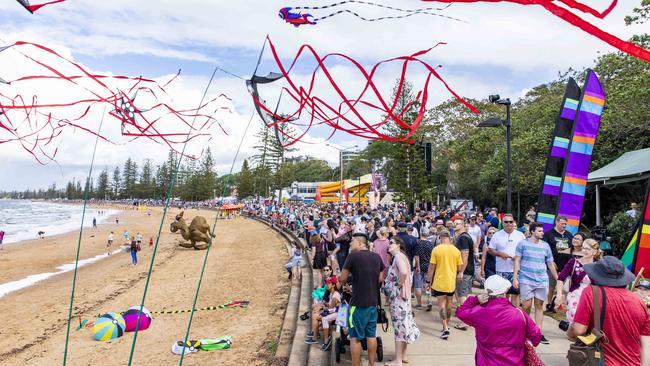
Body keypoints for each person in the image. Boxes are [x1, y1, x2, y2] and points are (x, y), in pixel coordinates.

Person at [567, 256, 650, 366]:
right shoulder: (639, 302)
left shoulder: (591, 293)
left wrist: (569, 331)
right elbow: (646, 344)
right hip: (632, 362)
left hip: (601, 361)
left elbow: (579, 330)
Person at [456, 275, 542, 366]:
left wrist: (475, 300)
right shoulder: (519, 314)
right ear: (505, 292)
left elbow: (461, 312)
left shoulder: (480, 313)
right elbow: (536, 337)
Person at [339, 232, 385, 366]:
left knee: (355, 337)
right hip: (373, 302)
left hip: (358, 304)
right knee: (371, 335)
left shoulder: (352, 257)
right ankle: (372, 364)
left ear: (359, 243)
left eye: (352, 241)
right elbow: (381, 277)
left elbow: (342, 279)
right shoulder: (376, 257)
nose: (350, 243)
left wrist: (345, 282)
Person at [513, 222, 557, 344]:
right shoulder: (523, 244)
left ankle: (538, 333)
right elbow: (517, 261)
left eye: (542, 231)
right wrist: (515, 278)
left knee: (539, 306)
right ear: (532, 231)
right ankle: (525, 330)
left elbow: (550, 263)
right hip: (526, 278)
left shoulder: (545, 246)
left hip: (542, 280)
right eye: (540, 231)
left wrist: (557, 277)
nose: (542, 232)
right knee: (526, 306)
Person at [384, 237, 420, 366]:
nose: (389, 245)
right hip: (403, 298)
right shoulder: (401, 256)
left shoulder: (398, 257)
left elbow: (404, 272)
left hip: (399, 298)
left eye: (392, 243)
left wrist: (397, 286)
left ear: (398, 245)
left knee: (399, 327)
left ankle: (398, 360)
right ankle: (403, 355)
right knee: (404, 325)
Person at [427, 230, 463, 340]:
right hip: (450, 282)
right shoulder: (456, 251)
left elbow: (432, 268)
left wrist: (428, 281)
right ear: (450, 238)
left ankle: (445, 327)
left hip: (439, 282)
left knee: (441, 305)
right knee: (449, 305)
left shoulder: (436, 250)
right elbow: (460, 268)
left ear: (440, 237)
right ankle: (446, 325)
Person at [555, 238, 601, 324]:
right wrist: (559, 295)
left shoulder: (598, 266)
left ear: (594, 252)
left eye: (588, 249)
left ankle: (574, 332)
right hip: (574, 295)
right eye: (583, 248)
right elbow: (560, 278)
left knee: (586, 321)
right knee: (575, 317)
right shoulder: (574, 262)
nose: (585, 251)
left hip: (590, 297)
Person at [488, 213, 525, 305]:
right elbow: (490, 250)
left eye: (511, 222)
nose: (509, 223)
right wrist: (500, 254)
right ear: (502, 223)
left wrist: (518, 257)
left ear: (514, 222)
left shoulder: (520, 235)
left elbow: (525, 250)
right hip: (501, 269)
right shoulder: (497, 235)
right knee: (502, 294)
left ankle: (514, 314)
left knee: (515, 293)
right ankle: (503, 313)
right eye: (506, 222)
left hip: (516, 270)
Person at [543, 216, 574, 312]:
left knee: (562, 287)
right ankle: (548, 303)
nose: (564, 226)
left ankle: (556, 304)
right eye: (562, 223)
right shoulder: (548, 234)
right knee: (551, 285)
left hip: (566, 265)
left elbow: (573, 248)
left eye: (565, 224)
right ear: (556, 222)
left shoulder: (569, 235)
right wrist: (550, 261)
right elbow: (545, 249)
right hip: (553, 264)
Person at [453, 218, 474, 330]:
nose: (455, 225)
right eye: (454, 223)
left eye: (458, 223)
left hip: (464, 271)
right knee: (462, 294)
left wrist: (461, 271)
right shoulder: (465, 237)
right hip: (466, 270)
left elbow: (464, 255)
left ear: (463, 225)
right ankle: (465, 317)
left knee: (462, 296)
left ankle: (465, 321)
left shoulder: (463, 238)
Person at [414, 226, 435, 310]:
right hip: (428, 266)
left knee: (418, 285)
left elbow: (416, 256)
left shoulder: (417, 243)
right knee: (428, 284)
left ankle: (419, 303)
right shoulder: (431, 244)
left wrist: (417, 265)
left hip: (418, 266)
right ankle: (429, 301)